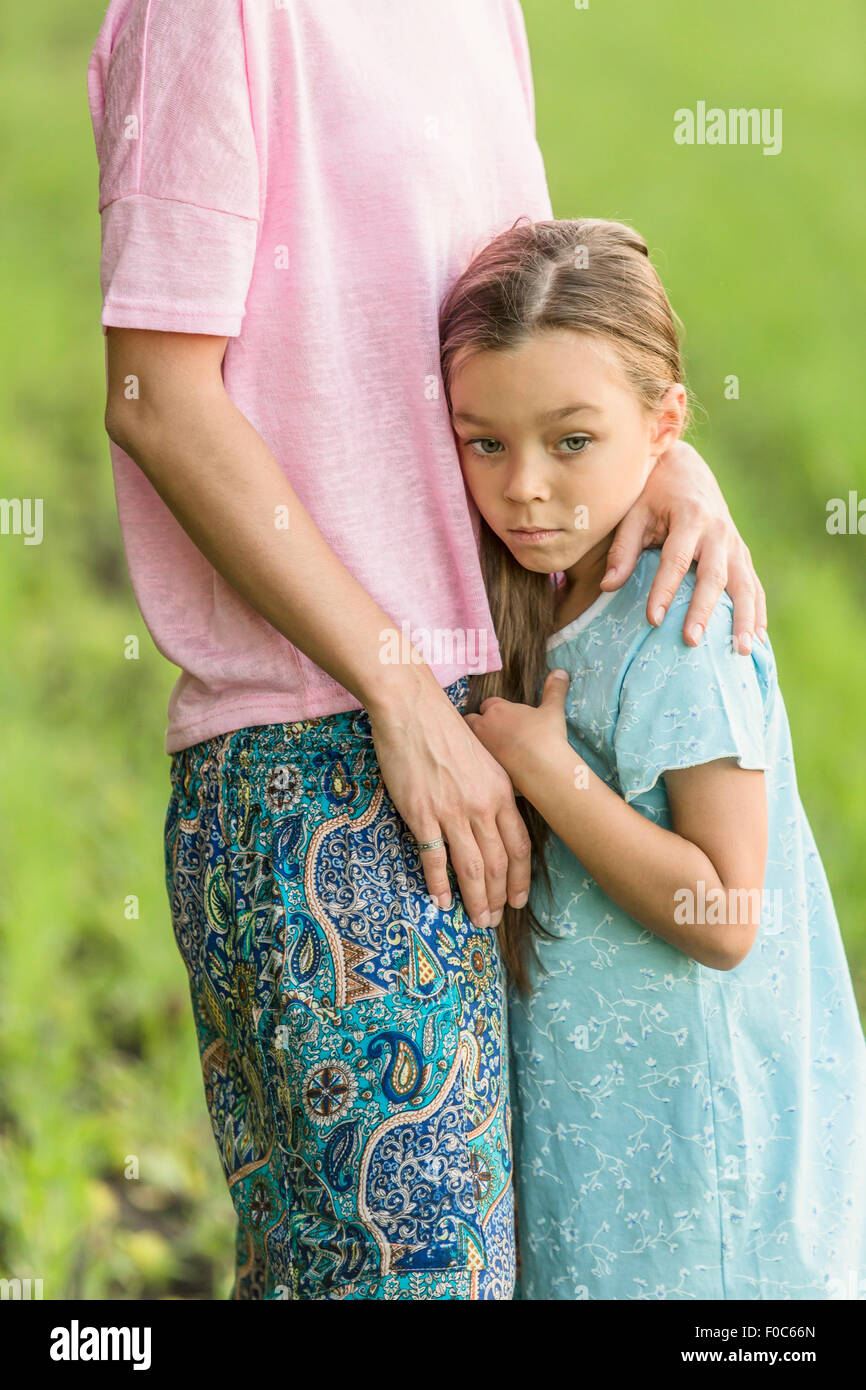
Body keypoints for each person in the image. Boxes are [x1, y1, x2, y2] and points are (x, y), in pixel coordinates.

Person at [88, 1, 765, 1300]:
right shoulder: (214, 16)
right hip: (319, 745)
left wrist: (663, 459)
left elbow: (533, 333)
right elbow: (153, 397)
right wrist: (398, 688)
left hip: (492, 726)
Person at [441, 216, 866, 1300]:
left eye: (569, 442)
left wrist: (551, 773)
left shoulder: (680, 626)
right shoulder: (532, 590)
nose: (524, 487)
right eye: (483, 442)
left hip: (701, 1155)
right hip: (602, 1129)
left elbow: (723, 917)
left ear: (664, 424)